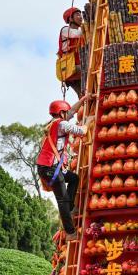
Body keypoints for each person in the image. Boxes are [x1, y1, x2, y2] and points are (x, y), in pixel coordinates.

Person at [36, 96, 93, 241]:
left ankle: (71, 208)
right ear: (61, 113)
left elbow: (72, 111)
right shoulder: (62, 125)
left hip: (50, 166)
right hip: (50, 167)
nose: (68, 115)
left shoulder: (53, 123)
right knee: (62, 200)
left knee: (73, 178)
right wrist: (88, 122)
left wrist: (84, 99)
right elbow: (82, 131)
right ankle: (70, 232)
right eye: (65, 113)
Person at [57, 7, 85, 96]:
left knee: (83, 95)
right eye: (77, 15)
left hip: (76, 69)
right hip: (71, 68)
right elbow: (77, 34)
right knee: (90, 69)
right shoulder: (65, 30)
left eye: (80, 15)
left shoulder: (81, 32)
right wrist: (89, 25)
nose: (81, 17)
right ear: (70, 19)